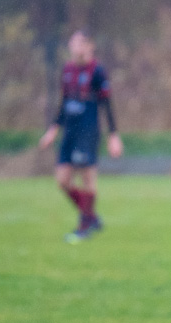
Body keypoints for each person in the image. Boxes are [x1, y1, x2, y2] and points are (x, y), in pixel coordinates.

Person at [39, 30, 123, 243]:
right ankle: (91, 217)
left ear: (89, 46)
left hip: (88, 132)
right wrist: (53, 129)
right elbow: (64, 102)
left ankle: (84, 225)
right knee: (62, 181)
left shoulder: (97, 71)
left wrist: (113, 135)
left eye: (78, 44)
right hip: (69, 132)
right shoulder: (67, 70)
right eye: (72, 44)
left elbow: (107, 104)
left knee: (87, 179)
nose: (73, 48)